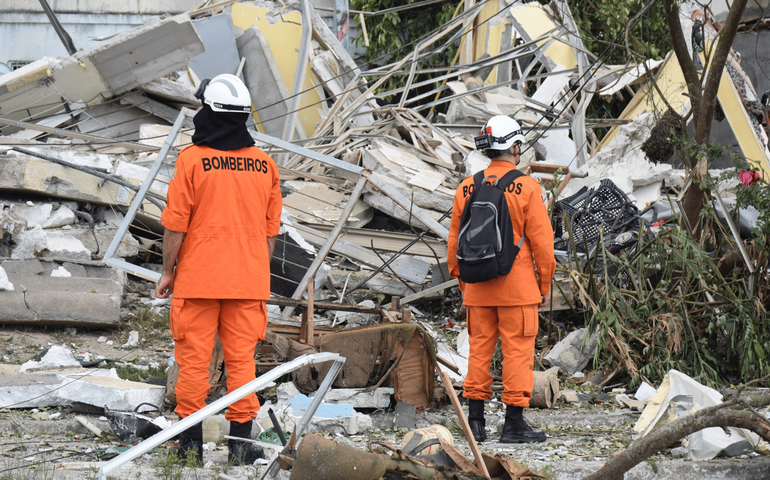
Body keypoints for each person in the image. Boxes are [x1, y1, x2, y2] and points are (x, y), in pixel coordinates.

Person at [154, 74, 282, 465]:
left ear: (209, 112)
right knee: (243, 362)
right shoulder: (265, 165)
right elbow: (270, 231)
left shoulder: (192, 160)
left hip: (199, 278)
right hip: (248, 280)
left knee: (193, 361)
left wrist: (167, 271)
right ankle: (241, 448)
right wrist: (258, 271)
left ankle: (189, 448)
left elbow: (176, 224)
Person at [446, 115, 555, 444]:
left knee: (478, 352)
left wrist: (466, 284)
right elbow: (543, 246)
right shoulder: (529, 188)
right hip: (518, 290)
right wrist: (544, 286)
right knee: (517, 353)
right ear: (515, 147)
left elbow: (454, 246)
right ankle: (513, 426)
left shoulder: (466, 187)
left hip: (478, 289)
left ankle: (475, 424)